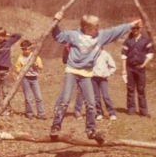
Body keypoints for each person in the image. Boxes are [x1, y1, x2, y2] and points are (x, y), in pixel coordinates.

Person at [50, 12, 140, 143]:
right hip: (72, 71)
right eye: (94, 28)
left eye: (98, 27)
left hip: (86, 74)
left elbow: (115, 31)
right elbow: (58, 36)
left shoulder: (100, 36)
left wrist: (130, 25)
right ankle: (55, 127)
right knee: (64, 100)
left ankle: (91, 130)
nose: (97, 30)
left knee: (91, 104)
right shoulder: (75, 35)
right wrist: (56, 21)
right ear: (86, 27)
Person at [121, 22, 154, 117]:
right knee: (130, 89)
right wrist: (124, 69)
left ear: (140, 29)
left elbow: (150, 53)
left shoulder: (146, 40)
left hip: (140, 68)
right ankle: (131, 109)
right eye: (133, 28)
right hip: (130, 68)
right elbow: (123, 55)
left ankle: (143, 110)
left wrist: (144, 64)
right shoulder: (128, 40)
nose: (135, 30)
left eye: (137, 28)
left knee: (141, 89)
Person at [15, 39, 46, 119]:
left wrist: (37, 65)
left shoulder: (35, 56)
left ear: (30, 48)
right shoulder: (20, 58)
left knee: (38, 97)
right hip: (25, 79)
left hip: (34, 79)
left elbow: (41, 67)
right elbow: (17, 68)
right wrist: (21, 69)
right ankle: (29, 113)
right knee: (28, 98)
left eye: (28, 49)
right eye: (24, 49)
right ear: (22, 49)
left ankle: (41, 113)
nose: (26, 51)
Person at [91, 47, 118, 120]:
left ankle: (112, 113)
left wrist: (108, 73)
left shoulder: (106, 55)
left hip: (103, 79)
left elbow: (113, 66)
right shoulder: (91, 54)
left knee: (105, 96)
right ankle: (99, 113)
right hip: (93, 78)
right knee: (96, 97)